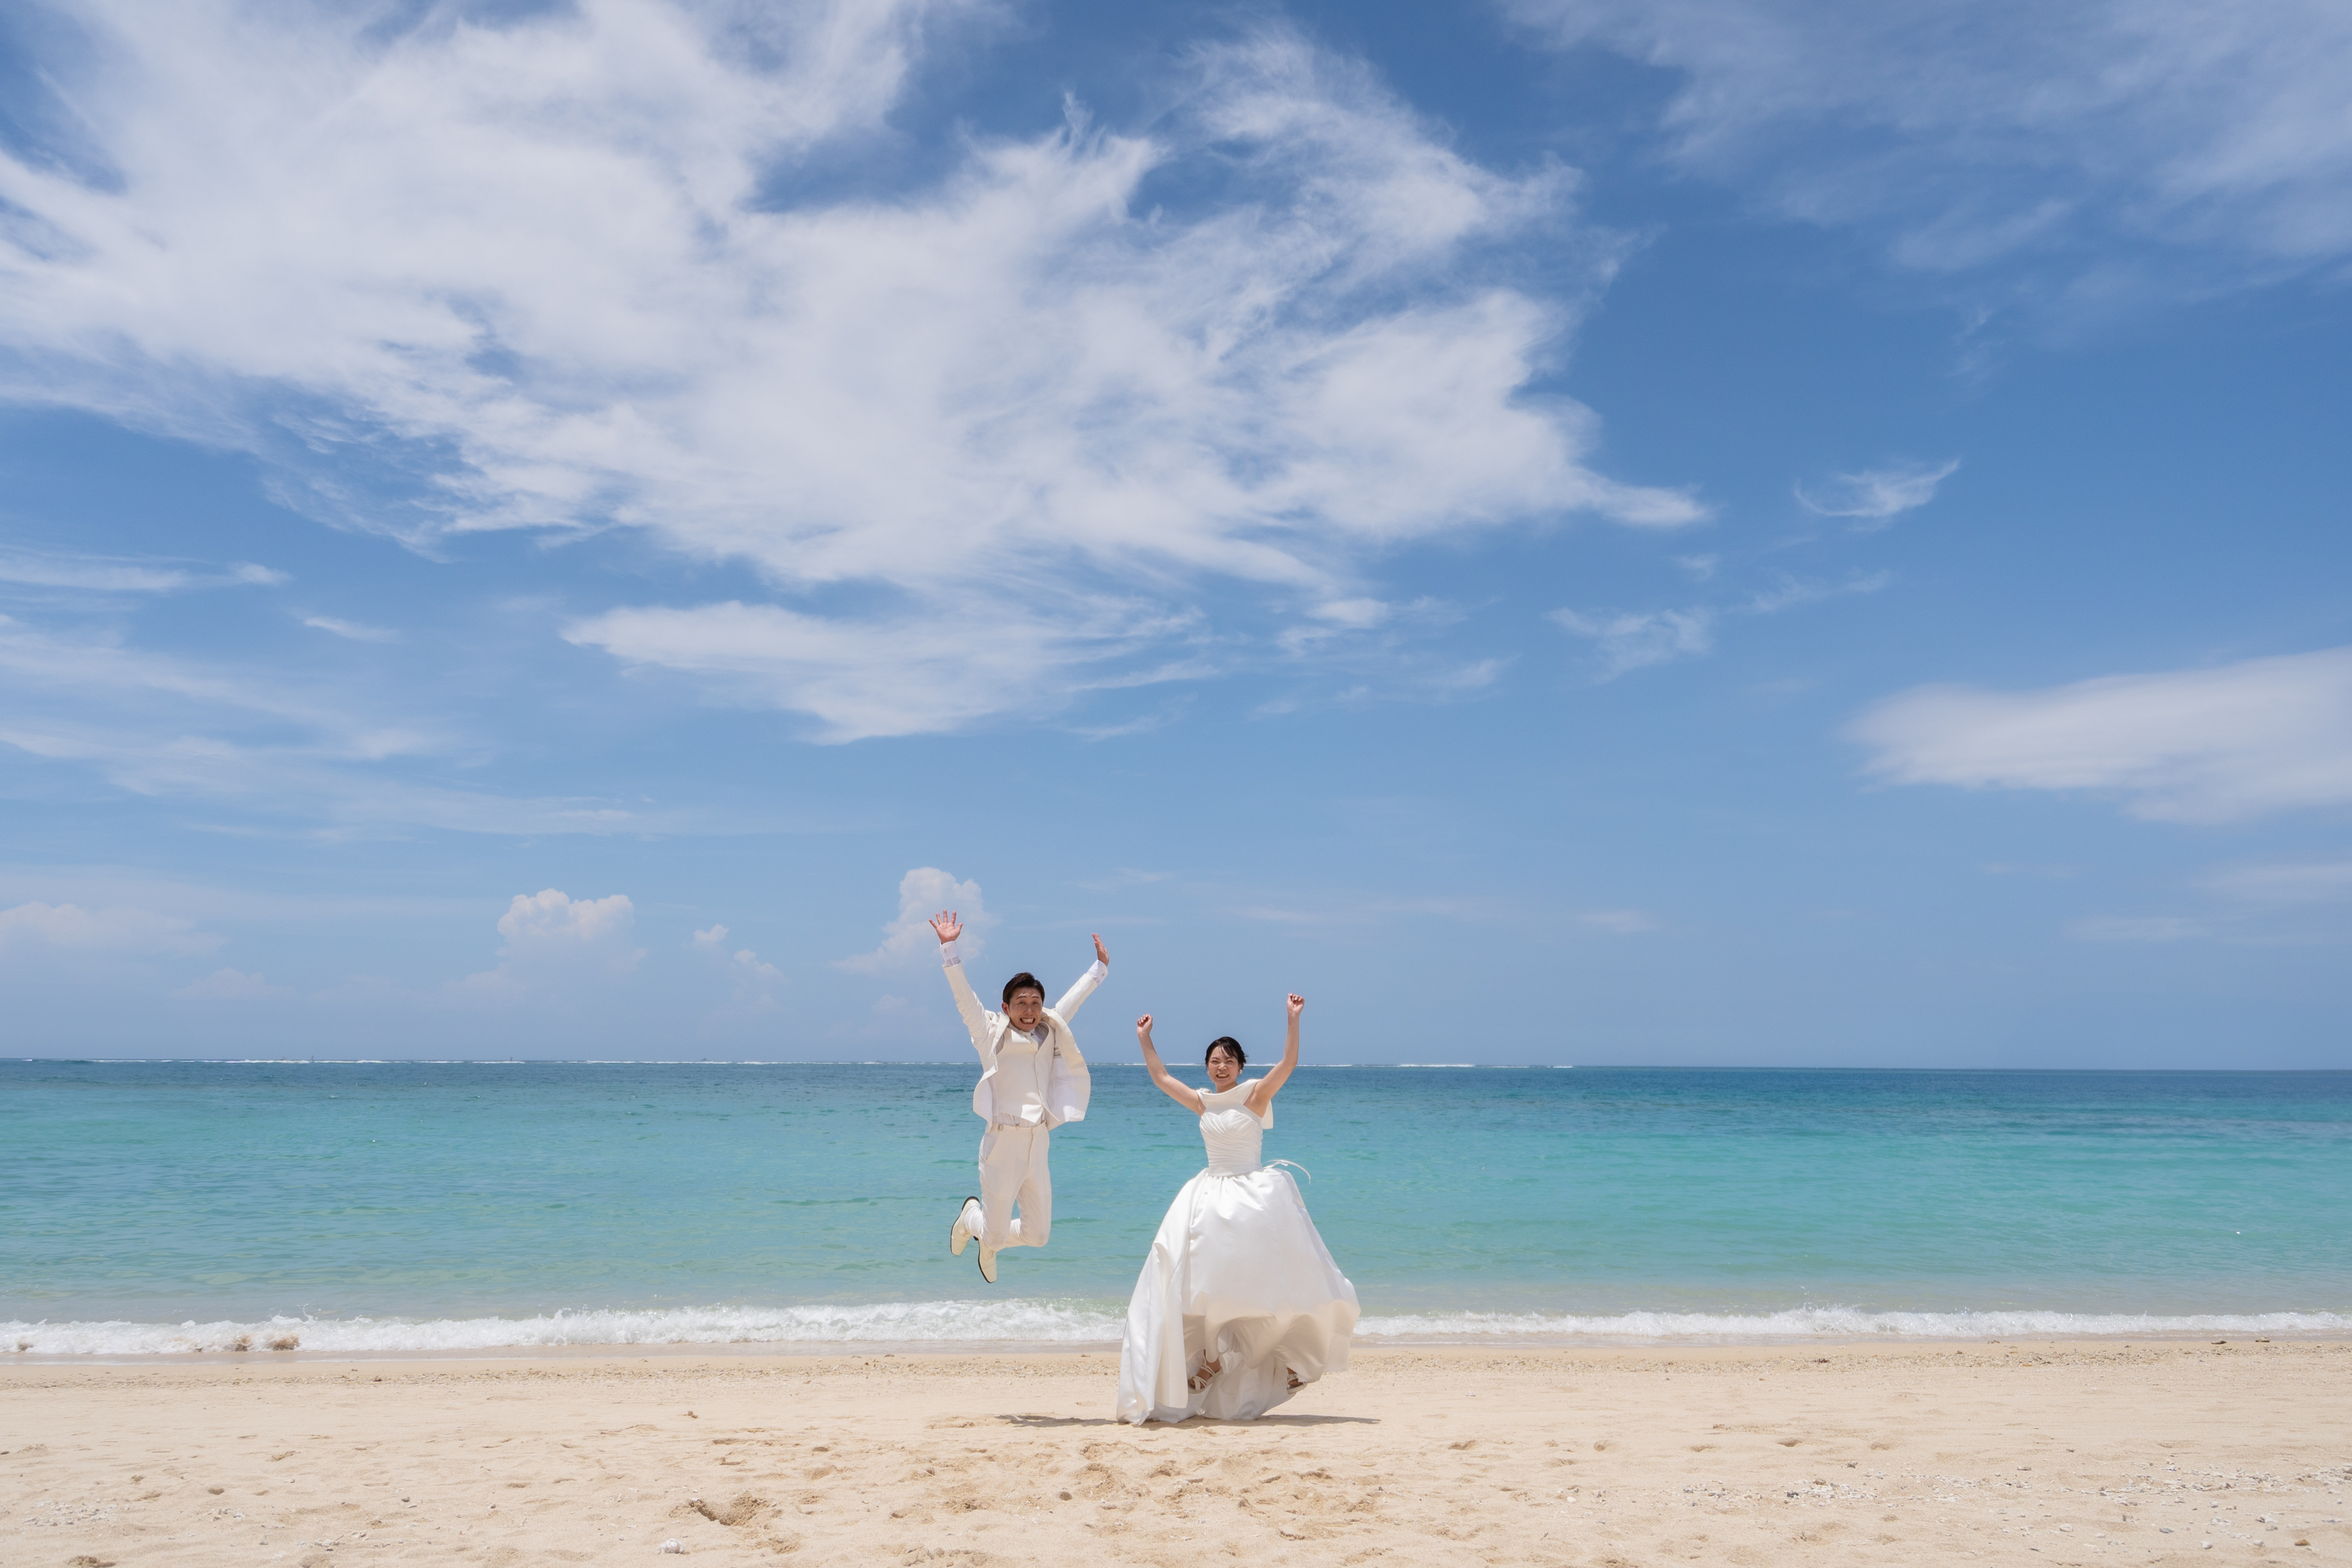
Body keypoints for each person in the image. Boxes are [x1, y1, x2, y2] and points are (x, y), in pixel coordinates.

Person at [1116, 994, 1358, 1424]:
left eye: (1228, 1060)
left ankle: (1284, 1359)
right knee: (1204, 1285)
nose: (1221, 1065)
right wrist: (1144, 1039)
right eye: (1214, 1060)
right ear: (1207, 1067)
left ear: (1240, 1066)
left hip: (1254, 1199)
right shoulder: (1203, 1101)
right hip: (1208, 1198)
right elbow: (1160, 1077)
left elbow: (1288, 1064)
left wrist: (1292, 1019)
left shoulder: (1255, 1096)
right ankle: (1212, 1358)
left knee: (1261, 1289)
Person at [929, 909, 1105, 1284]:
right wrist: (950, 949)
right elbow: (964, 998)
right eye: (1021, 1003)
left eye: (1036, 1003)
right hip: (1002, 1143)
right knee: (991, 1236)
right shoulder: (989, 1033)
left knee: (1038, 1235)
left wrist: (1099, 969)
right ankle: (970, 1218)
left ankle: (985, 1236)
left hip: (1037, 1142)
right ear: (1007, 1007)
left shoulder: (1048, 1030)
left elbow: (1070, 1004)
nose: (1030, 1010)